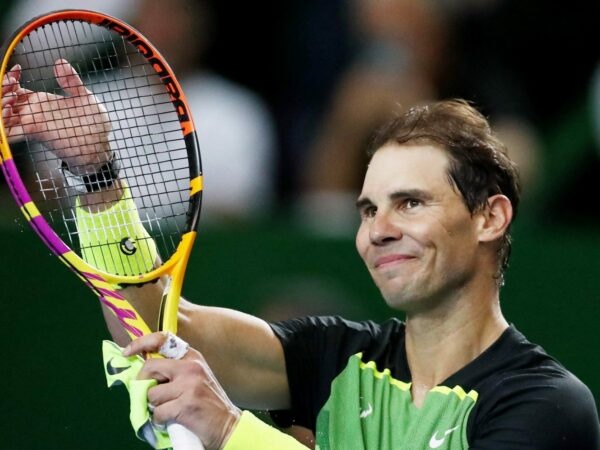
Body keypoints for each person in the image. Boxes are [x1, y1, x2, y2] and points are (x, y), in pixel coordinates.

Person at [3, 62, 599, 449]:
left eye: (410, 203)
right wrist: (98, 175)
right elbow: (160, 325)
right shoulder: (333, 361)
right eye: (367, 210)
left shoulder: (548, 408)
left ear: (490, 217)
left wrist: (233, 432)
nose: (378, 231)